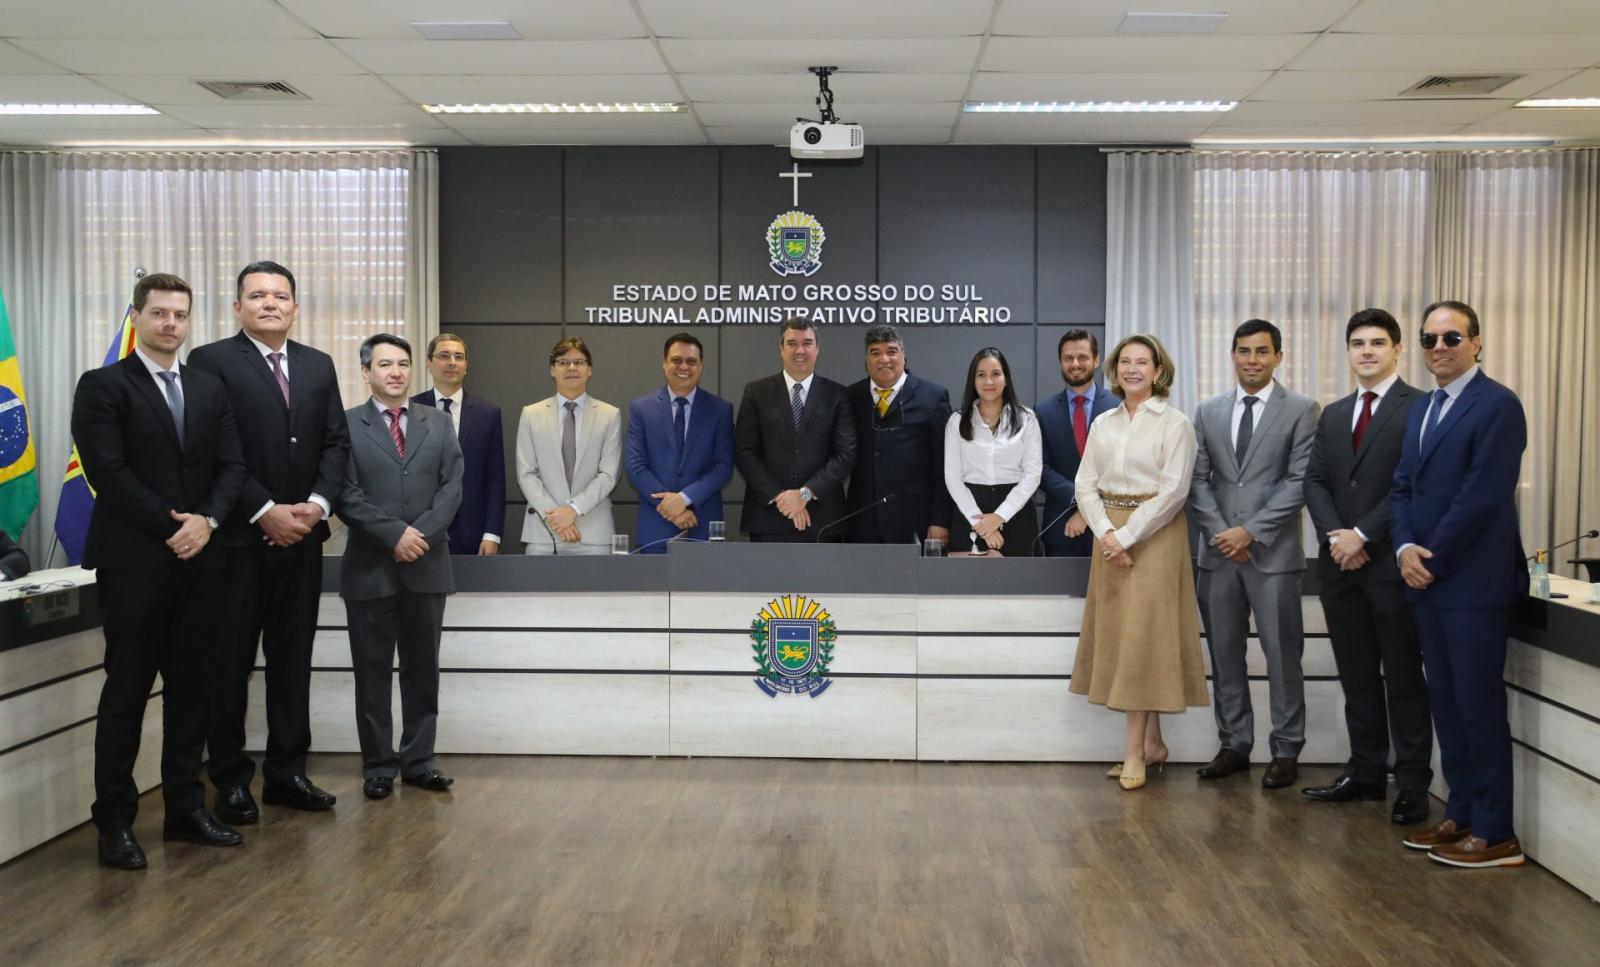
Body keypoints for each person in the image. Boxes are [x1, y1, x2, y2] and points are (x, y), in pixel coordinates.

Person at [71, 272, 247, 868]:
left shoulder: (207, 386)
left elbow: (232, 466)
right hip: (134, 564)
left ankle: (184, 810)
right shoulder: (102, 385)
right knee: (126, 694)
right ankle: (115, 823)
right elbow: (108, 472)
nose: (171, 323)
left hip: (203, 562)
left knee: (193, 692)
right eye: (160, 313)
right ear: (138, 317)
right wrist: (174, 525)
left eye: (180, 314)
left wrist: (209, 522)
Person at [187, 261, 349, 821]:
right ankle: (230, 780)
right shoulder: (210, 361)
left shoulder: (318, 365)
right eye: (257, 296)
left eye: (280, 296)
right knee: (229, 665)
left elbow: (335, 445)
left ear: (295, 307)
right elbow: (209, 449)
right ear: (238, 307)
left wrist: (319, 505)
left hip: (303, 540)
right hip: (236, 543)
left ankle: (287, 773)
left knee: (292, 661)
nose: (270, 304)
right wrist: (263, 510)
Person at [1393, 300, 1529, 869]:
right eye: (1429, 339)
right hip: (1427, 582)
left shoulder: (1498, 405)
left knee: (1478, 707)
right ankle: (1463, 815)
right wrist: (1403, 548)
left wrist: (1433, 556)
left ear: (1476, 342)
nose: (1439, 347)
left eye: (1452, 337)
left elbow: (1483, 494)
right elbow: (1403, 488)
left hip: (1472, 585)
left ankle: (1496, 833)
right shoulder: (1425, 408)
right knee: (1447, 707)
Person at [1301, 309, 1432, 825]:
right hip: (1339, 567)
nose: (1367, 351)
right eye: (1358, 343)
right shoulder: (1333, 414)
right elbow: (1315, 481)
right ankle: (1366, 771)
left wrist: (1362, 534)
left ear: (1398, 349)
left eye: (1378, 342)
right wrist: (1337, 536)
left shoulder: (1419, 408)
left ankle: (1415, 784)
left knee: (1402, 678)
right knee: (1356, 676)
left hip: (1390, 566)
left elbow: (1415, 485)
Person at [1070, 334, 1207, 790]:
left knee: (1144, 641)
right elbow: (1084, 484)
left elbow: (1174, 493)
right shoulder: (1104, 423)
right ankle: (1152, 743)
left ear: (1158, 370)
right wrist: (1107, 534)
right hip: (1109, 536)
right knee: (1122, 637)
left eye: (1141, 362)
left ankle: (1134, 754)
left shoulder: (1175, 423)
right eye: (1124, 362)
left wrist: (1127, 535)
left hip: (1155, 537)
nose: (1132, 369)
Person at [1189, 319, 1320, 789]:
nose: (1252, 360)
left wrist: (1251, 531)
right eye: (1243, 351)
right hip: (1218, 555)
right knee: (1225, 655)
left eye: (1262, 352)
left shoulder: (1303, 410)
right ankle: (1234, 744)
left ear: (1278, 356)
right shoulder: (1208, 411)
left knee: (1283, 656)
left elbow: (1299, 482)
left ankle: (1286, 749)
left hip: (1274, 556)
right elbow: (1198, 481)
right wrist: (1224, 533)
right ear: (1232, 354)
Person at [338, 334, 464, 800]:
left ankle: (418, 761)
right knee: (371, 674)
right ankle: (377, 766)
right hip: (371, 568)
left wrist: (421, 536)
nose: (396, 372)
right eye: (385, 364)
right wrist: (395, 534)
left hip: (427, 566)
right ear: (367, 372)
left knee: (422, 670)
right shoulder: (346, 425)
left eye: (403, 364)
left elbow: (453, 487)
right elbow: (345, 494)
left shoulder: (439, 423)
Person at [734, 318, 856, 542]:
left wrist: (804, 494)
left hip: (823, 521)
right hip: (768, 517)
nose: (800, 350)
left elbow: (845, 454)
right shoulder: (756, 392)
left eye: (808, 343)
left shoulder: (838, 395)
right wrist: (781, 498)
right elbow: (744, 451)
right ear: (781, 349)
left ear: (817, 349)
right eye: (792, 343)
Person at [624, 332, 734, 552]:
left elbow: (723, 466)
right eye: (676, 360)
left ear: (700, 366)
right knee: (652, 586)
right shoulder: (641, 409)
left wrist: (684, 499)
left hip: (702, 527)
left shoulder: (720, 410)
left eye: (691, 361)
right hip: (655, 527)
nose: (684, 367)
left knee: (703, 587)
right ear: (664, 363)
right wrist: (671, 507)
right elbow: (635, 466)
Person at [844, 325, 952, 546]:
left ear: (904, 356)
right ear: (866, 360)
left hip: (915, 523)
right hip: (862, 523)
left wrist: (939, 519)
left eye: (891, 351)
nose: (884, 359)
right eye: (875, 352)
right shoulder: (849, 397)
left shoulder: (932, 398)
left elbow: (944, 464)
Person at [516, 336, 621, 555]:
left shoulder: (610, 415)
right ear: (552, 370)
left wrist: (573, 510)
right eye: (563, 362)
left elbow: (608, 474)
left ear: (589, 369)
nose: (571, 367)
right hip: (544, 532)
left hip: (594, 534)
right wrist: (556, 518)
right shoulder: (531, 414)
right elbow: (526, 473)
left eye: (579, 362)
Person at [411, 333, 505, 556]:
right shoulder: (410, 410)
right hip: (417, 531)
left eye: (458, 357)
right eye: (444, 355)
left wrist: (492, 534)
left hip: (471, 531)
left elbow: (495, 478)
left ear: (466, 366)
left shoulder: (487, 414)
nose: (452, 362)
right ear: (428, 364)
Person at [942, 347, 1042, 555]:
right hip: (969, 511)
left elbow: (1032, 474)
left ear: (1006, 379)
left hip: (1016, 512)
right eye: (981, 375)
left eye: (996, 374)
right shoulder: (957, 421)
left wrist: (999, 517)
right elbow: (952, 477)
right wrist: (980, 524)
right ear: (973, 380)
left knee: (1019, 584)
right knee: (969, 584)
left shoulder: (1027, 418)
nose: (989, 382)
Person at [1037, 330, 1116, 556]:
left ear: (1097, 359)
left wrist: (1087, 509)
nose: (1075, 364)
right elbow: (1040, 469)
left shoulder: (1117, 407)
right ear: (1060, 362)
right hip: (1060, 526)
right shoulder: (1043, 411)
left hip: (1110, 527)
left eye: (1082, 357)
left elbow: (1121, 469)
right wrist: (1080, 500)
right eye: (1068, 358)